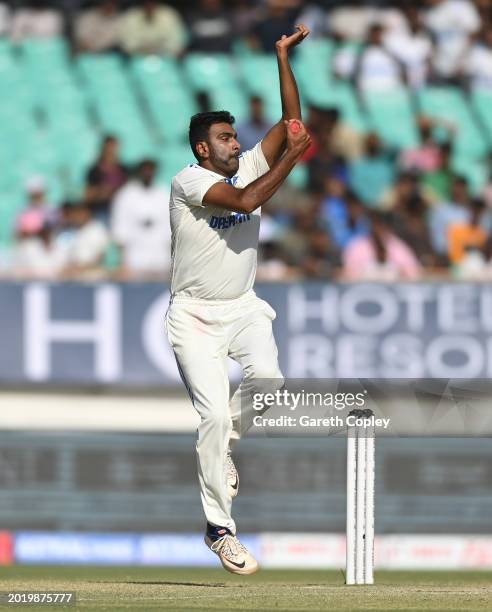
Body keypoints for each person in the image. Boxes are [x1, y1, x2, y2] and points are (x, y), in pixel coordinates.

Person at [165, 24, 311, 575]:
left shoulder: (249, 162)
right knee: (209, 417)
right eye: (225, 138)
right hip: (195, 315)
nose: (235, 142)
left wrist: (280, 57)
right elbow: (249, 201)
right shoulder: (189, 182)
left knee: (269, 389)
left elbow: (291, 126)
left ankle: (226, 442)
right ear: (204, 148)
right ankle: (220, 529)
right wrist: (291, 158)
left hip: (244, 304)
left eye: (235, 137)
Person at [110, 159, 171, 279]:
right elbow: (119, 230)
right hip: (134, 260)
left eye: (151, 170)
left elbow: (171, 227)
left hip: (161, 259)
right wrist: (123, 262)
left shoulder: (164, 193)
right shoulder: (125, 195)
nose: (148, 174)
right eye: (145, 170)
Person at [342, 211, 422, 281]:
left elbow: (413, 275)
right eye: (375, 225)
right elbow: (348, 276)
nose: (378, 229)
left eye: (381, 225)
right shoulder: (358, 247)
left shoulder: (398, 247)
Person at [119, 0, 187, 57]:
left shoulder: (169, 15)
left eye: (152, 2)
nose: (149, 5)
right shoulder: (131, 16)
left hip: (165, 58)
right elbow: (127, 44)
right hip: (137, 58)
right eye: (146, 2)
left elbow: (177, 41)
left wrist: (159, 48)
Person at [84, 135, 128, 222]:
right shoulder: (94, 171)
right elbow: (87, 195)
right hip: (102, 211)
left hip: (121, 212)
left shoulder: (124, 170)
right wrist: (104, 192)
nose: (111, 151)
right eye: (109, 147)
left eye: (113, 147)